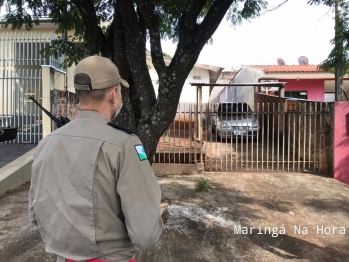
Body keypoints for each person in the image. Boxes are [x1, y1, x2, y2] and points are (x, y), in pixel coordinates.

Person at [29, 55, 163, 262]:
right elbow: (145, 233)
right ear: (113, 93)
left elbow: (35, 213)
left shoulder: (47, 143)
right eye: (119, 90)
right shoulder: (125, 144)